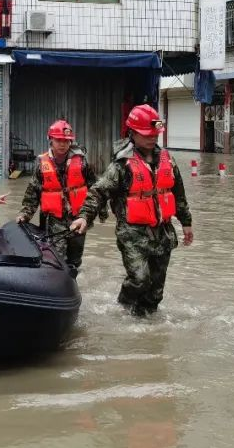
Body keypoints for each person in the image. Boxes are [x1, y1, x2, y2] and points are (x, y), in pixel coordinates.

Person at [77, 104, 194, 316]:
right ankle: (123, 306)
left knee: (156, 292)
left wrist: (186, 223)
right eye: (147, 134)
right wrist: (84, 217)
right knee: (140, 279)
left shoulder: (168, 159)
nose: (152, 138)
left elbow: (178, 194)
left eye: (155, 134)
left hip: (163, 232)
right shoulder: (122, 165)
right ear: (132, 133)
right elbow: (98, 192)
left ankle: (144, 325)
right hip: (132, 233)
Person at [16, 119, 97, 277]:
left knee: (75, 259)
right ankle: (55, 285)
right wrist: (25, 214)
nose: (63, 144)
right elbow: (33, 193)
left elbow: (95, 189)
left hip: (77, 218)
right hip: (53, 220)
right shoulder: (42, 165)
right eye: (59, 140)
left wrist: (96, 214)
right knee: (55, 258)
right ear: (50, 140)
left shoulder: (82, 163)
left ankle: (73, 285)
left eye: (66, 141)